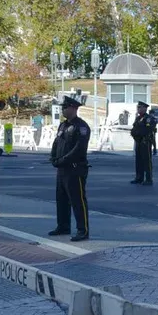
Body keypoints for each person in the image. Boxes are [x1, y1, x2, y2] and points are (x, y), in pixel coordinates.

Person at [48, 96, 91, 241]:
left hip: (74, 168)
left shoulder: (81, 126)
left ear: (73, 108)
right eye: (62, 108)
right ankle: (63, 226)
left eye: (65, 107)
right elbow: (56, 143)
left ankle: (82, 230)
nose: (63, 110)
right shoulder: (63, 125)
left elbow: (79, 149)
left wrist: (63, 160)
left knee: (77, 200)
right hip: (62, 168)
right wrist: (53, 157)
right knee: (61, 199)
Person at [130, 101, 156, 185]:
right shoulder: (138, 118)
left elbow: (148, 129)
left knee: (147, 161)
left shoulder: (148, 118)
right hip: (138, 141)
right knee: (138, 161)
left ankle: (149, 179)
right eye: (138, 107)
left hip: (145, 141)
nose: (139, 109)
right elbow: (134, 128)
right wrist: (134, 134)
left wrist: (139, 133)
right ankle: (139, 177)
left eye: (140, 107)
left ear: (145, 108)